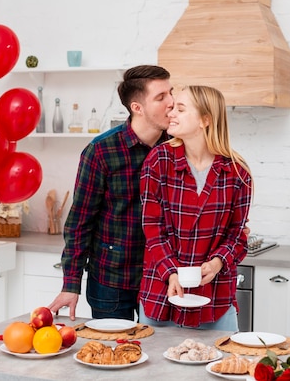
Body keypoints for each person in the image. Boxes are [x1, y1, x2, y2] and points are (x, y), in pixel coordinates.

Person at [48, 65, 174, 321]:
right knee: (112, 355)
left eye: (171, 93)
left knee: (164, 357)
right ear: (137, 107)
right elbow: (79, 222)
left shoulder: (177, 147)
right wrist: (71, 284)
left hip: (162, 279)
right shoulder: (101, 151)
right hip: (111, 282)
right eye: (161, 97)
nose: (172, 102)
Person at [138, 85, 253, 331]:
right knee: (157, 369)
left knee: (221, 366)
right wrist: (171, 273)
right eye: (173, 108)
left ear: (205, 120)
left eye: (180, 109)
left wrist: (217, 263)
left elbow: (237, 235)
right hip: (161, 295)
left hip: (215, 300)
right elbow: (152, 229)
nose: (171, 113)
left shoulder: (237, 172)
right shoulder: (158, 161)